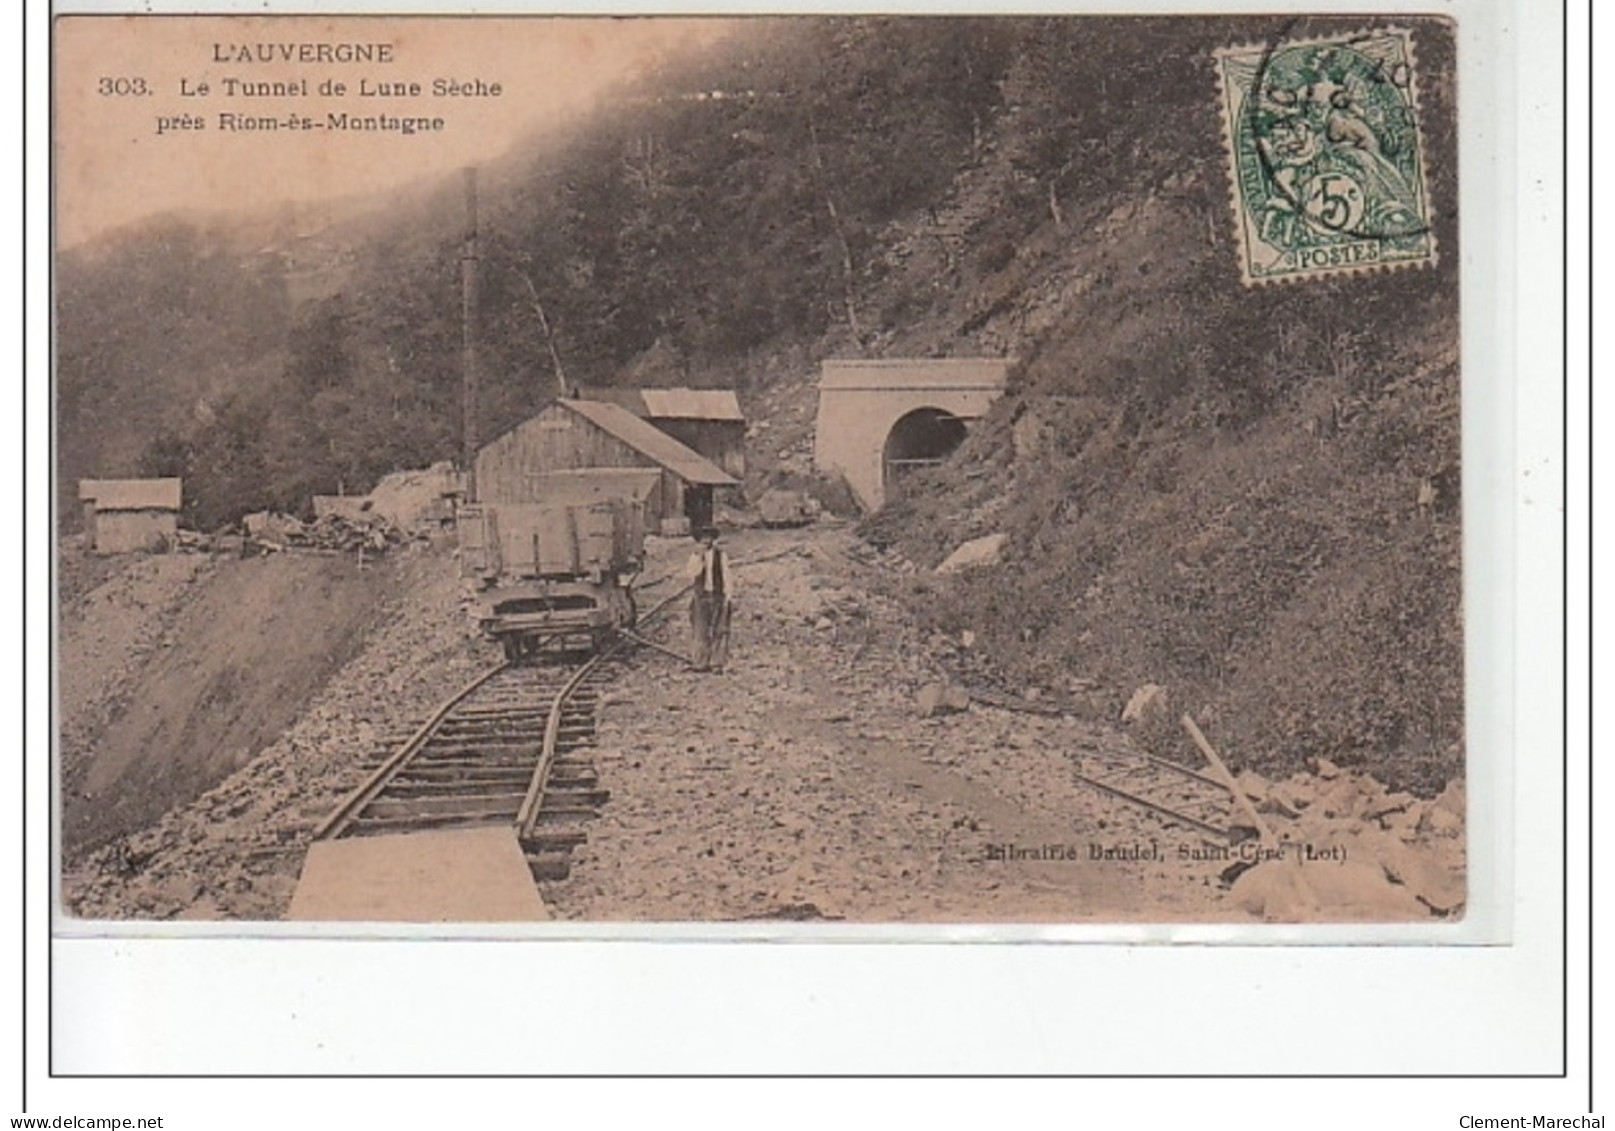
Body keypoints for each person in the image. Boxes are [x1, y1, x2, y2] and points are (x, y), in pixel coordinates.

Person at [685, 527, 735, 672]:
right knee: (701, 630)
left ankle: (717, 663)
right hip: (702, 597)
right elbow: (691, 573)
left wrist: (728, 596)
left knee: (720, 630)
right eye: (703, 538)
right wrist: (698, 556)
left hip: (718, 596)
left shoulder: (721, 555)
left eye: (708, 538)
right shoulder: (695, 556)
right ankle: (701, 662)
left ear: (713, 540)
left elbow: (727, 576)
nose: (706, 541)